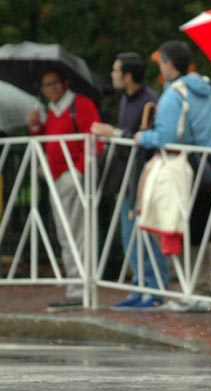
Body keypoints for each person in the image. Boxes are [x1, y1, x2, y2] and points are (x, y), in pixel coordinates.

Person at [135, 40, 211, 311]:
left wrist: (143, 137)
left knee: (183, 226)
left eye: (161, 63)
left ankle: (193, 291)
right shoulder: (206, 87)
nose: (160, 68)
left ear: (169, 64)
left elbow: (167, 135)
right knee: (202, 230)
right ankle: (202, 287)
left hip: (186, 167)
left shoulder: (174, 93)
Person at [91, 52, 169, 309]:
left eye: (115, 70)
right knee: (130, 235)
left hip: (143, 176)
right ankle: (139, 286)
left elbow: (146, 139)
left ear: (127, 75)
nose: (112, 75)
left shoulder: (149, 101)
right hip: (127, 175)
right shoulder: (127, 99)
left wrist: (113, 132)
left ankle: (154, 288)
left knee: (144, 232)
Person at [27, 67, 102, 311]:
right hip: (57, 177)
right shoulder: (51, 111)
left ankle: (81, 286)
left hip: (74, 176)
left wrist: (78, 171)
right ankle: (73, 284)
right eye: (48, 85)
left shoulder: (79, 104)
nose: (53, 88)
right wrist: (36, 128)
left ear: (65, 82)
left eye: (56, 83)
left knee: (78, 232)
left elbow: (95, 138)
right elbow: (48, 141)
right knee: (64, 233)